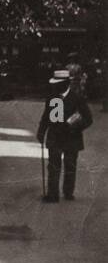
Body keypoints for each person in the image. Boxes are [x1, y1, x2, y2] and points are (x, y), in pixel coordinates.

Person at [38, 68, 94, 202]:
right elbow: (46, 117)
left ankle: (68, 192)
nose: (55, 86)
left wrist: (75, 127)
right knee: (53, 166)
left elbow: (88, 119)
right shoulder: (52, 97)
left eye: (58, 84)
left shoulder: (77, 98)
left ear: (66, 84)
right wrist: (41, 132)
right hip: (55, 137)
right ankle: (53, 194)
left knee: (70, 166)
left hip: (71, 138)